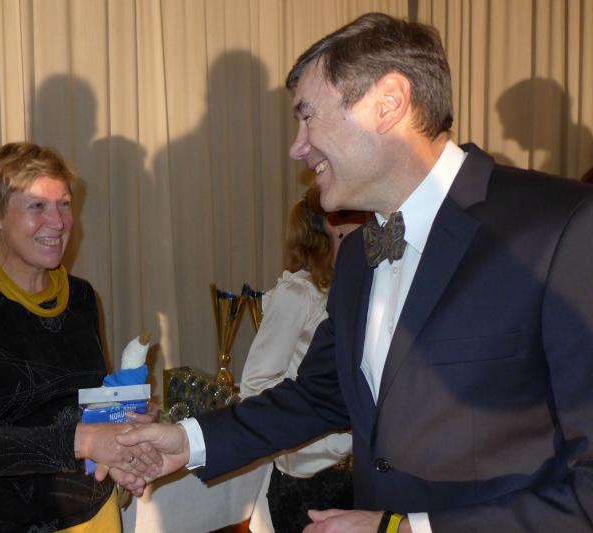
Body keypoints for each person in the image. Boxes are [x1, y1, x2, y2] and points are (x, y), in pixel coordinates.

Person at [107, 12, 593, 533]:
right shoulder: (360, 254)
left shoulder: (562, 228)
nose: (297, 146)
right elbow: (321, 394)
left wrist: (405, 529)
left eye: (308, 117)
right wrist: (188, 442)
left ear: (388, 103)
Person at [0, 142, 157, 532]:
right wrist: (82, 441)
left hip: (96, 512)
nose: (59, 222)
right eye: (37, 206)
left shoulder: (80, 296)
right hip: (10, 524)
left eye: (64, 204)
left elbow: (85, 402)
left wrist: (126, 420)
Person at [241, 188, 363, 532]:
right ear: (333, 226)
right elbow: (255, 385)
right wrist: (330, 416)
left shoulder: (354, 288)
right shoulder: (298, 294)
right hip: (309, 481)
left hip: (358, 475)